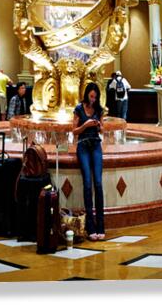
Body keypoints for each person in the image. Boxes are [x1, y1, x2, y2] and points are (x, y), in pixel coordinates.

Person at [72, 82, 105, 240]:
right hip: (83, 146)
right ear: (87, 95)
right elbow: (74, 131)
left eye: (95, 96)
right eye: (91, 96)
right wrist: (85, 125)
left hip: (96, 145)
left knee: (98, 183)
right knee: (87, 183)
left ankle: (101, 225)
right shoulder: (79, 109)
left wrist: (99, 125)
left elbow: (103, 129)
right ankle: (90, 227)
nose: (93, 99)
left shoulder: (99, 109)